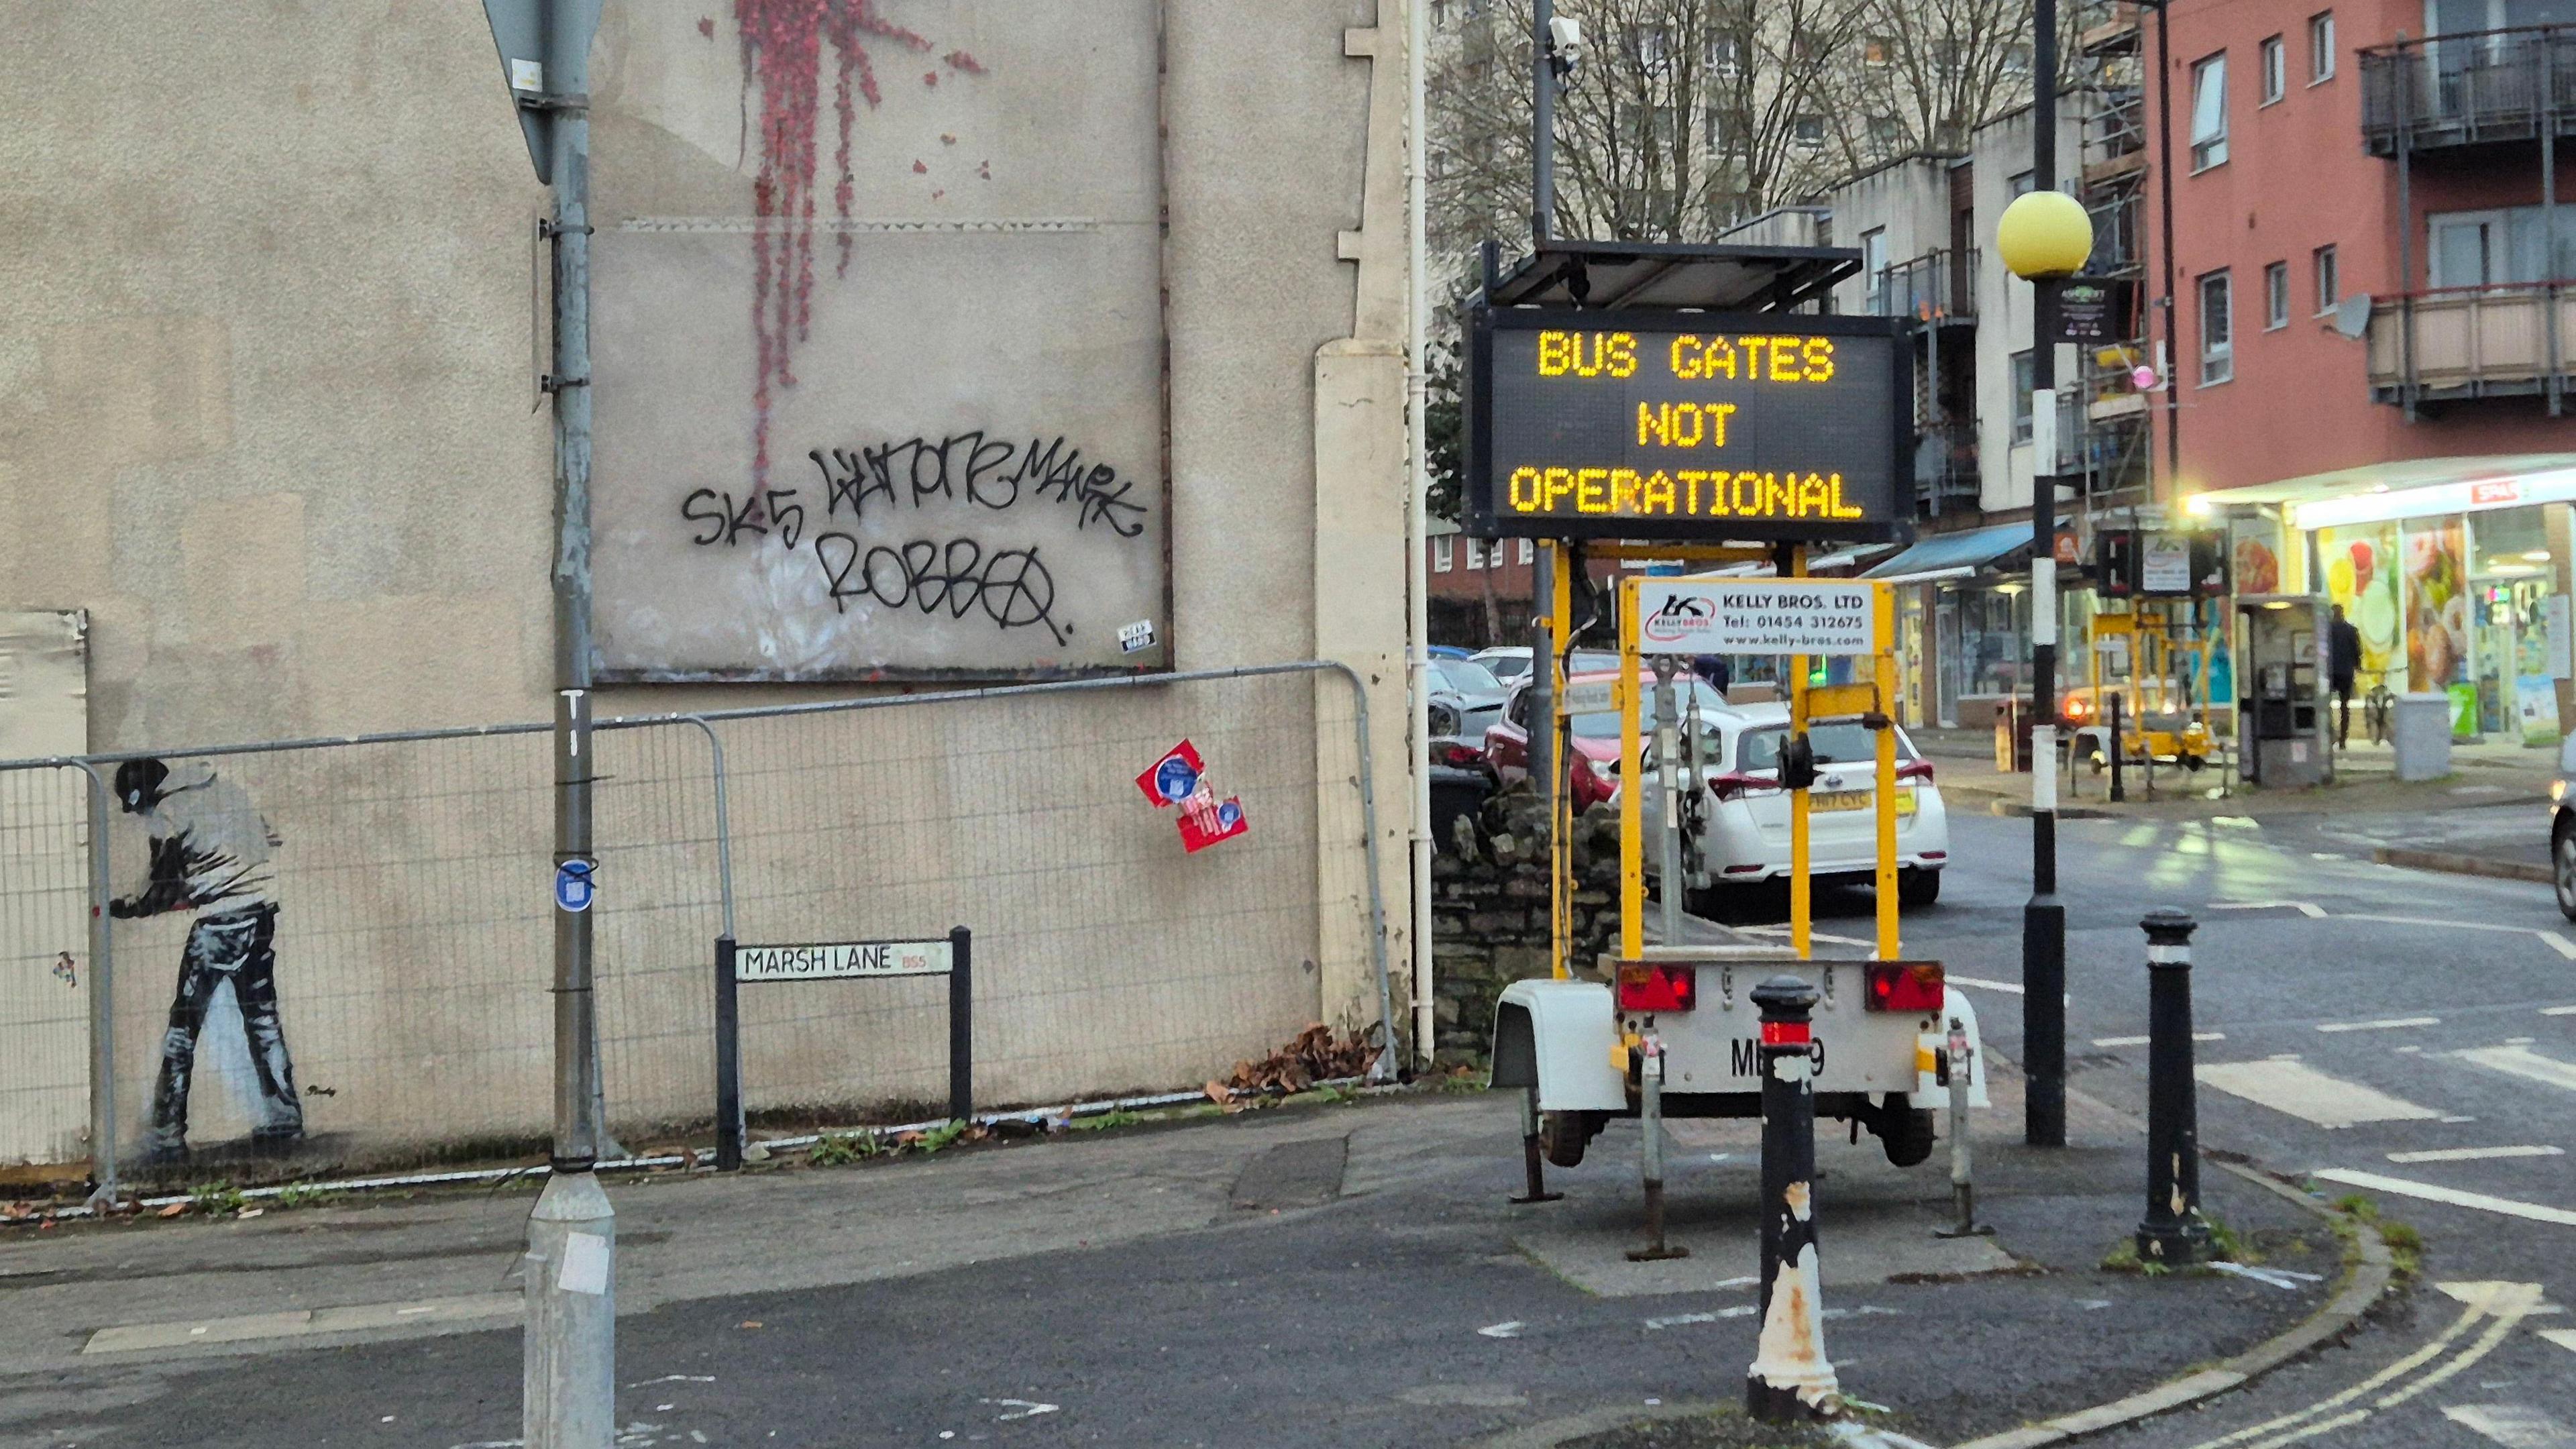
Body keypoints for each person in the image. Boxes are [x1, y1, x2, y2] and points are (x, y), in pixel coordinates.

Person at [108, 757, 303, 1162]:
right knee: (263, 1019)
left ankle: (166, 1134)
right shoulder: (226, 790)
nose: (141, 816)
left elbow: (162, 889)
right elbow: (271, 838)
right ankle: (286, 1118)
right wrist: (221, 873)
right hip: (262, 913)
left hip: (219, 926)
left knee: (183, 1030)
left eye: (136, 807)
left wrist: (129, 908)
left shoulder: (167, 813)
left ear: (140, 795)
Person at [2328, 604, 2363, 748]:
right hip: (2346, 673)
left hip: (2329, 672)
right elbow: (2357, 651)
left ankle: (2330, 734)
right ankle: (2342, 738)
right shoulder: (2351, 630)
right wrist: (2358, 666)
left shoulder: (2327, 630)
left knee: (2325, 704)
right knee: (2345, 706)